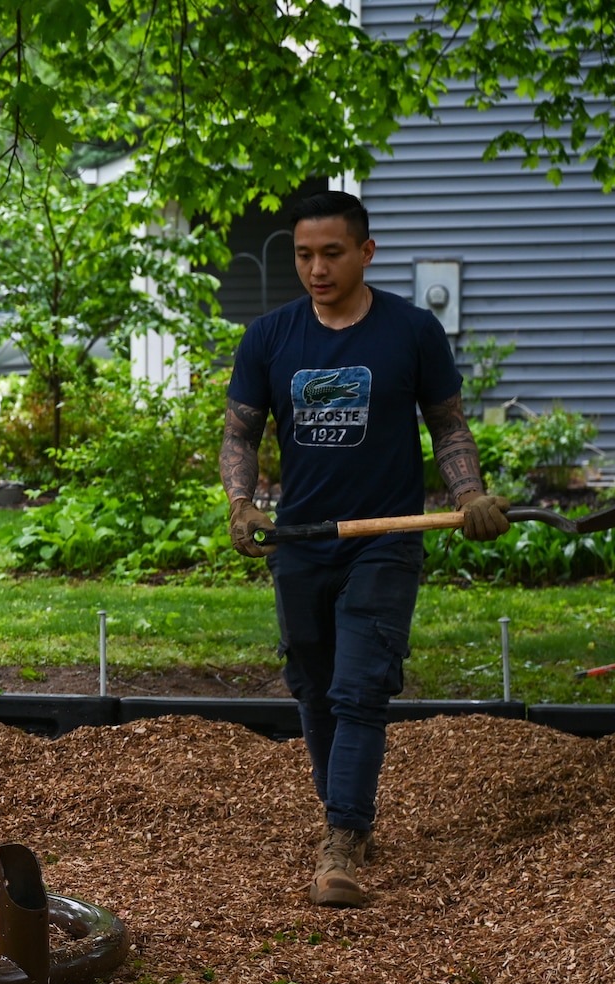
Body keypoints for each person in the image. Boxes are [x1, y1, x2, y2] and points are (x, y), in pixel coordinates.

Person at [222, 190, 509, 908]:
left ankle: (342, 839)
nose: (316, 268)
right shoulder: (270, 337)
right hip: (302, 539)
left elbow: (447, 426)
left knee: (360, 688)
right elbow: (239, 433)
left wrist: (468, 493)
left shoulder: (410, 332)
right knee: (313, 686)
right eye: (304, 255)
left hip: (387, 538)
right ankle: (343, 808)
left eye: (332, 253)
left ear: (366, 252)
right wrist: (241, 501)